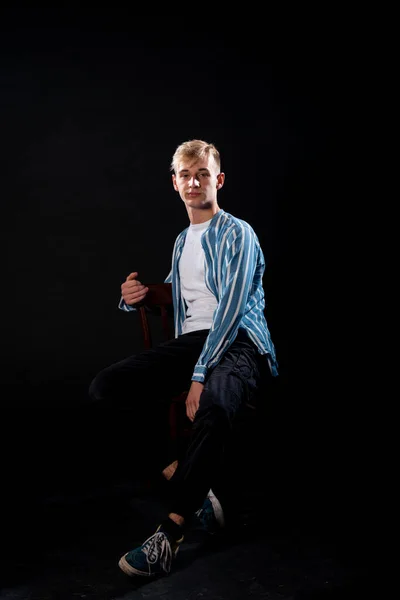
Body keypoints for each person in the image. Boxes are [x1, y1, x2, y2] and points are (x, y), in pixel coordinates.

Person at [89, 139, 278, 578]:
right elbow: (178, 293)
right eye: (186, 176)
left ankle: (170, 532)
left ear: (219, 180)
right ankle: (189, 476)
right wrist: (132, 297)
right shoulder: (182, 241)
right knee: (106, 388)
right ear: (175, 183)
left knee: (213, 400)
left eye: (203, 175)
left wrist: (199, 375)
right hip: (194, 341)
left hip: (241, 342)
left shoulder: (238, 232)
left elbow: (229, 309)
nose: (194, 182)